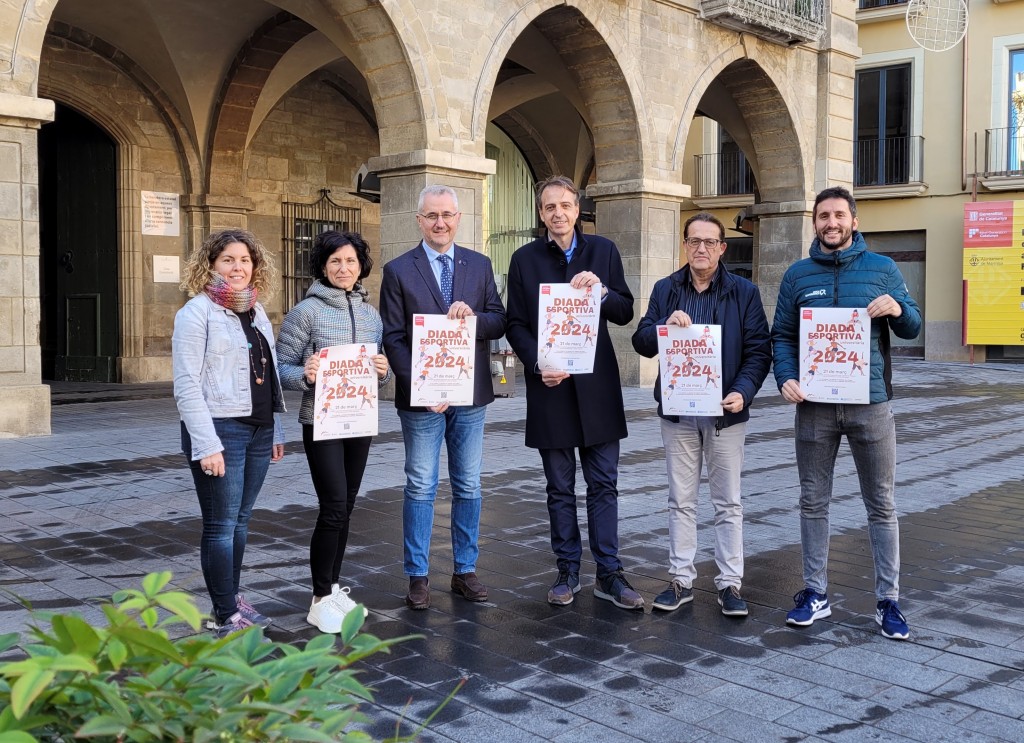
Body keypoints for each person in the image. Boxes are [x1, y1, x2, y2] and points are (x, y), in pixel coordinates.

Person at [771, 185, 921, 640]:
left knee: (881, 504)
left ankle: (888, 600)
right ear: (815, 223)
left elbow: (913, 326)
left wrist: (897, 307)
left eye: (839, 215)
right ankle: (815, 593)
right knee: (812, 501)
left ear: (854, 221)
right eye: (823, 216)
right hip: (814, 407)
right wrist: (786, 377)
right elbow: (782, 335)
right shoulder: (797, 275)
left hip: (870, 406)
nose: (831, 223)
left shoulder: (883, 268)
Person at [505, 175, 641, 610]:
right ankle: (566, 570)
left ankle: (609, 572)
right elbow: (515, 324)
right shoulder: (524, 259)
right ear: (541, 213)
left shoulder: (603, 251)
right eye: (550, 207)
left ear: (577, 210)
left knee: (604, 485)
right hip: (551, 389)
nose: (558, 213)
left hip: (597, 389)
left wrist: (602, 291)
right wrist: (536, 363)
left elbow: (625, 310)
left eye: (565, 205)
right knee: (559, 488)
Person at [630, 212, 770, 617]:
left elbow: (759, 350)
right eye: (694, 241)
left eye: (710, 242)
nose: (701, 248)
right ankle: (681, 579)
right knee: (681, 500)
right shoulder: (666, 289)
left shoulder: (744, 292)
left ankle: (729, 583)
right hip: (679, 414)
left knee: (727, 502)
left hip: (725, 413)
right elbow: (641, 342)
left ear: (722, 248)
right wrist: (663, 326)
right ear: (685, 245)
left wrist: (743, 392)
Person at [379, 184, 506, 610]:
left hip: (469, 395)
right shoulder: (399, 270)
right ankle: (417, 575)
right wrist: (422, 386)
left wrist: (474, 318)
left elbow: (499, 320)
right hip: (422, 400)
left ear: (458, 218)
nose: (440, 223)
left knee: (468, 483)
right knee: (420, 485)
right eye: (432, 215)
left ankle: (465, 570)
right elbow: (393, 337)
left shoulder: (479, 264)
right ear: (419, 220)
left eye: (447, 215)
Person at [276, 231, 391, 634]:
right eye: (335, 261)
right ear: (323, 267)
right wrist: (304, 373)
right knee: (333, 506)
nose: (344, 268)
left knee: (347, 506)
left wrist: (382, 371)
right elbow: (281, 368)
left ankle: (333, 589)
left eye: (351, 261)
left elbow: (377, 372)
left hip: (359, 420)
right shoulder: (305, 312)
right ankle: (319, 598)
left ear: (361, 266)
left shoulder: (371, 315)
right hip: (321, 421)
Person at [172, 229, 285, 638]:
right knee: (220, 525)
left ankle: (232, 599)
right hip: (220, 431)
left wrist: (275, 429)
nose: (238, 268)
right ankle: (224, 615)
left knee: (240, 522)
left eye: (245, 260)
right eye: (228, 260)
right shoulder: (196, 313)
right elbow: (186, 385)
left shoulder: (256, 311)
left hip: (258, 430)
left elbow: (267, 375)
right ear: (211, 265)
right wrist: (206, 444)